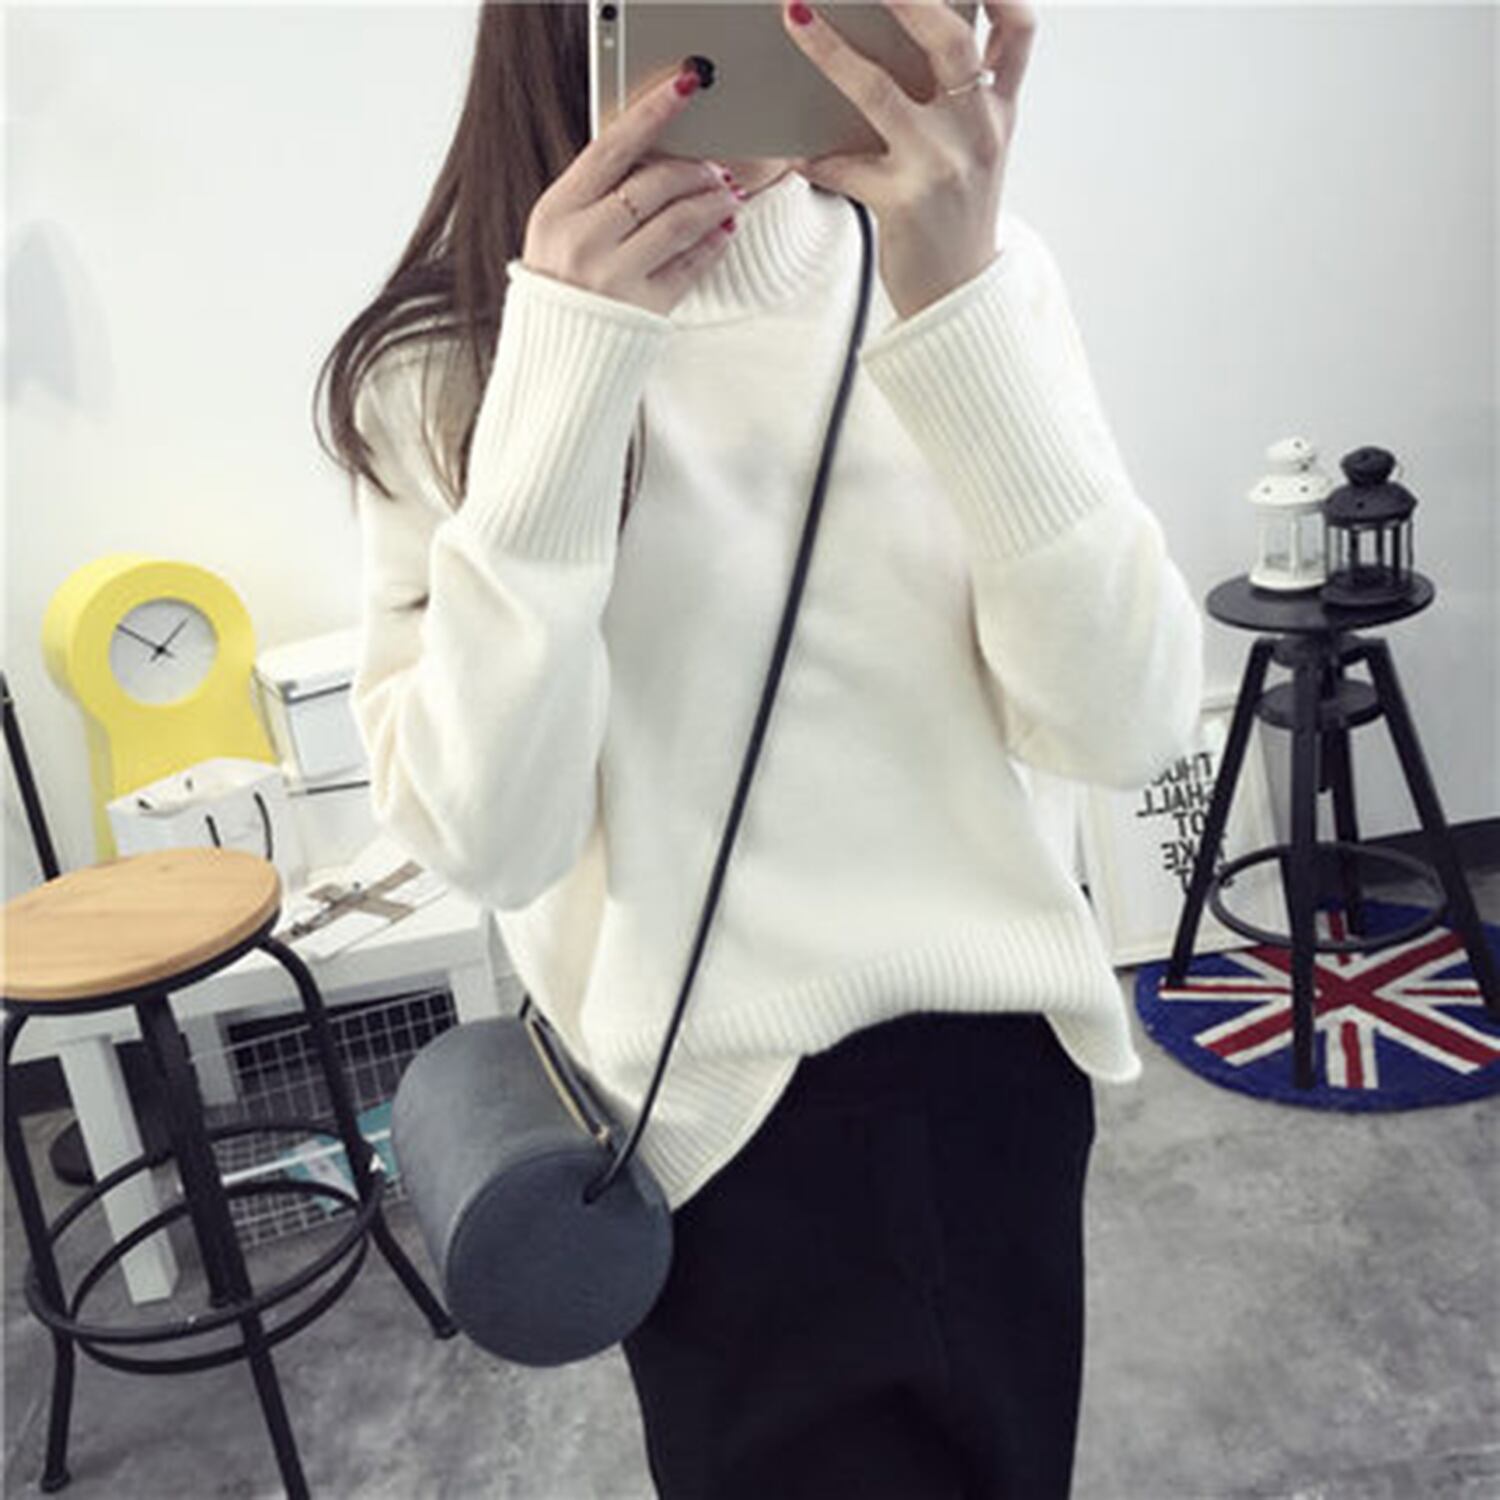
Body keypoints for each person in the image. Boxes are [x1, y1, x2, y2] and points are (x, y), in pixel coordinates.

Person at [315, 2, 1204, 1495]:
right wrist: (568, 366)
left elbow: (1127, 724)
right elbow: (491, 838)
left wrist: (961, 296)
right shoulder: (453, 364)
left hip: (999, 1087)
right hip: (713, 1137)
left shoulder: (973, 275)